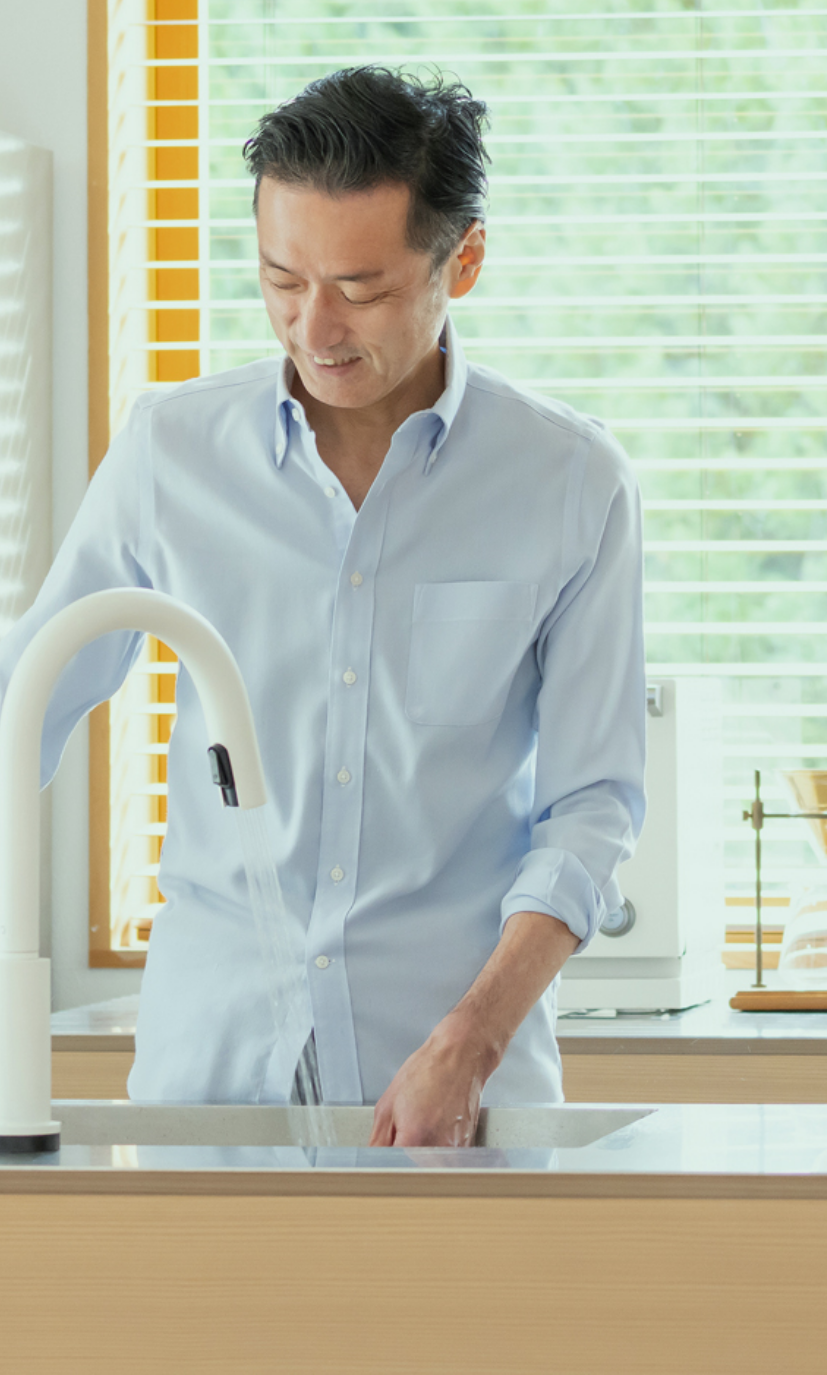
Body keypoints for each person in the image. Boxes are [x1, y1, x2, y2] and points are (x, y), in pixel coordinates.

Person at [0, 66, 645, 1143]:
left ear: (464, 260)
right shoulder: (172, 453)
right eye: (281, 279)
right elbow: (29, 705)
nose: (316, 326)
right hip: (208, 1081)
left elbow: (591, 808)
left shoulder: (570, 482)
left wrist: (470, 1040)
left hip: (457, 1088)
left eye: (363, 287)